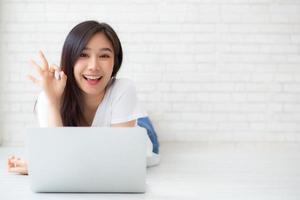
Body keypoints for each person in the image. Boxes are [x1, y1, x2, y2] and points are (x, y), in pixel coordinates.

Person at [7, 20, 160, 175]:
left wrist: (44, 165)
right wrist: (53, 102)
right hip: (117, 122)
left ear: (115, 61)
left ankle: (136, 113)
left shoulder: (124, 88)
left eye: (104, 55)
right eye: (83, 54)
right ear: (69, 59)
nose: (93, 66)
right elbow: (55, 154)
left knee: (139, 123)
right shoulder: (48, 98)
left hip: (139, 134)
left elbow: (119, 158)